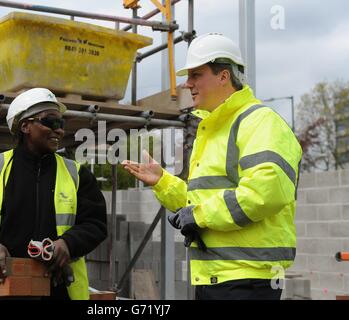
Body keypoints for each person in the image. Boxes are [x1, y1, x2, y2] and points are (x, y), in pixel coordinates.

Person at [123, 33, 302, 300]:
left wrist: (198, 216)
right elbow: (200, 201)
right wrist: (163, 182)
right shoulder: (212, 131)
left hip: (247, 279)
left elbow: (265, 193)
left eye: (196, 75)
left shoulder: (259, 122)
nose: (187, 84)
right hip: (216, 276)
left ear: (224, 76)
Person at [0, 88, 107, 300]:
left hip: (58, 290)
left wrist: (68, 243)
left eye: (61, 124)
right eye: (50, 122)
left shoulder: (78, 175)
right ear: (25, 126)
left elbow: (95, 224)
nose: (59, 131)